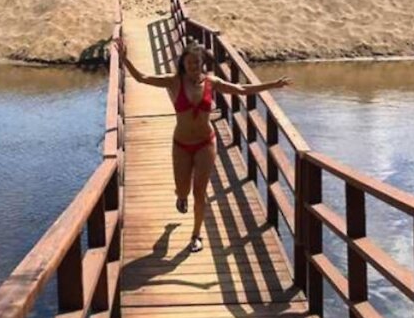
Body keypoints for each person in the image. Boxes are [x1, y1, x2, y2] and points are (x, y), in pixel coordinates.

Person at [116, 36, 290, 253]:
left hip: (206, 144)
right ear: (183, 64)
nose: (193, 67)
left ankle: (196, 235)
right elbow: (142, 78)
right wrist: (125, 60)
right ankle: (181, 197)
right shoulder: (174, 81)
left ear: (202, 63)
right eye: (189, 63)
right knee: (183, 189)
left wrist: (273, 84)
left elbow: (242, 90)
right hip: (181, 144)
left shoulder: (212, 82)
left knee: (200, 191)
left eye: (196, 63)